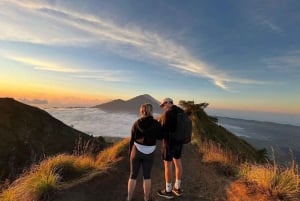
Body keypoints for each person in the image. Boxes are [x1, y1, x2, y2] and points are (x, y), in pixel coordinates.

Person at [127, 103, 163, 201]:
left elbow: (132, 139)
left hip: (136, 151)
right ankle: (146, 198)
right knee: (147, 176)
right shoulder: (156, 123)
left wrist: (130, 153)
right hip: (150, 152)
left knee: (133, 175)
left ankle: (129, 198)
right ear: (151, 111)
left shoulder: (136, 123)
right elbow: (160, 137)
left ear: (142, 111)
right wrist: (159, 125)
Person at [157, 97, 184, 199]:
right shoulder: (181, 111)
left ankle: (168, 191)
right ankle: (177, 188)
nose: (163, 107)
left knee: (168, 165)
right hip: (179, 142)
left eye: (164, 105)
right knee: (178, 163)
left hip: (169, 143)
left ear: (169, 103)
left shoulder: (169, 114)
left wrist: (159, 124)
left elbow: (164, 131)